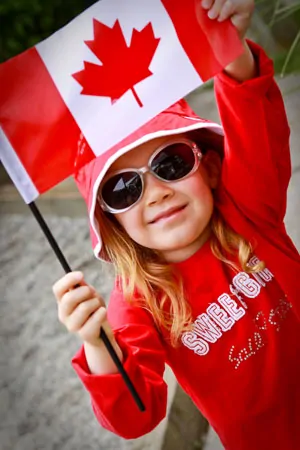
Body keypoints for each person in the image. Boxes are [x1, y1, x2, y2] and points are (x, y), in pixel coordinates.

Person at [52, 1, 300, 449]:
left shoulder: (248, 208)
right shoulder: (137, 300)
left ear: (206, 167)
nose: (156, 192)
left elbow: (254, 122)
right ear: (109, 221)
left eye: (171, 162)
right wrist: (98, 342)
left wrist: (230, 48)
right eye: (124, 189)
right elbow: (137, 416)